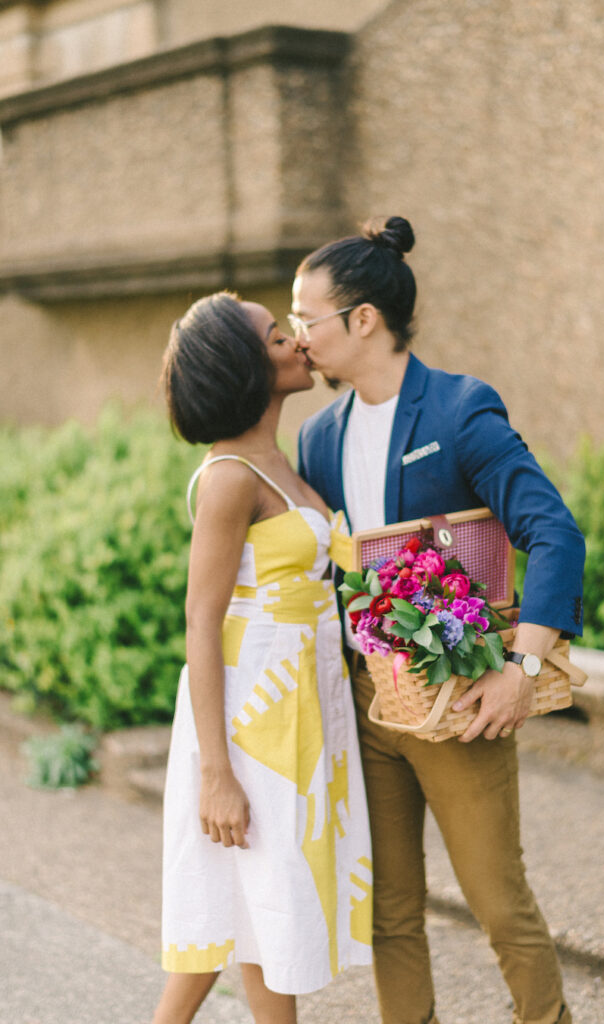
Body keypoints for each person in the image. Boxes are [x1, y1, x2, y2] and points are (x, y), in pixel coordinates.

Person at [292, 216, 585, 1024]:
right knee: (389, 913)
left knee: (499, 906)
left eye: (304, 319)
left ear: (362, 320)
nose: (297, 339)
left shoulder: (458, 409)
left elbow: (554, 533)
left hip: (462, 706)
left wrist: (519, 669)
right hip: (368, 707)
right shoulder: (318, 437)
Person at [152, 291, 372, 1024]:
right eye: (279, 335)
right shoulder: (229, 479)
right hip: (254, 719)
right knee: (256, 905)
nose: (297, 342)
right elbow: (201, 622)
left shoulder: (280, 458)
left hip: (305, 707)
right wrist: (217, 774)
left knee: (251, 908)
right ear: (246, 366)